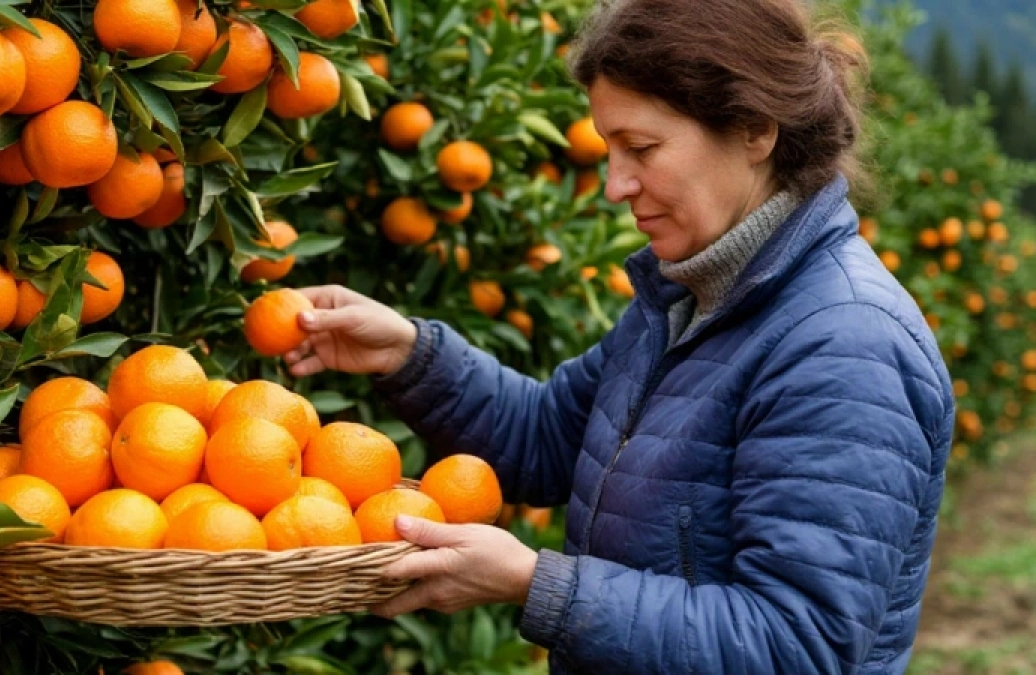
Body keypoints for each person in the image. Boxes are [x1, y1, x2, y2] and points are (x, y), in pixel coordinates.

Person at [284, 0, 954, 671]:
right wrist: (408, 354)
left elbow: (796, 644)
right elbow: (548, 438)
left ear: (754, 130)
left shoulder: (844, 344)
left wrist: (538, 583)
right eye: (609, 148)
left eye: (642, 148)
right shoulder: (688, 298)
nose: (614, 185)